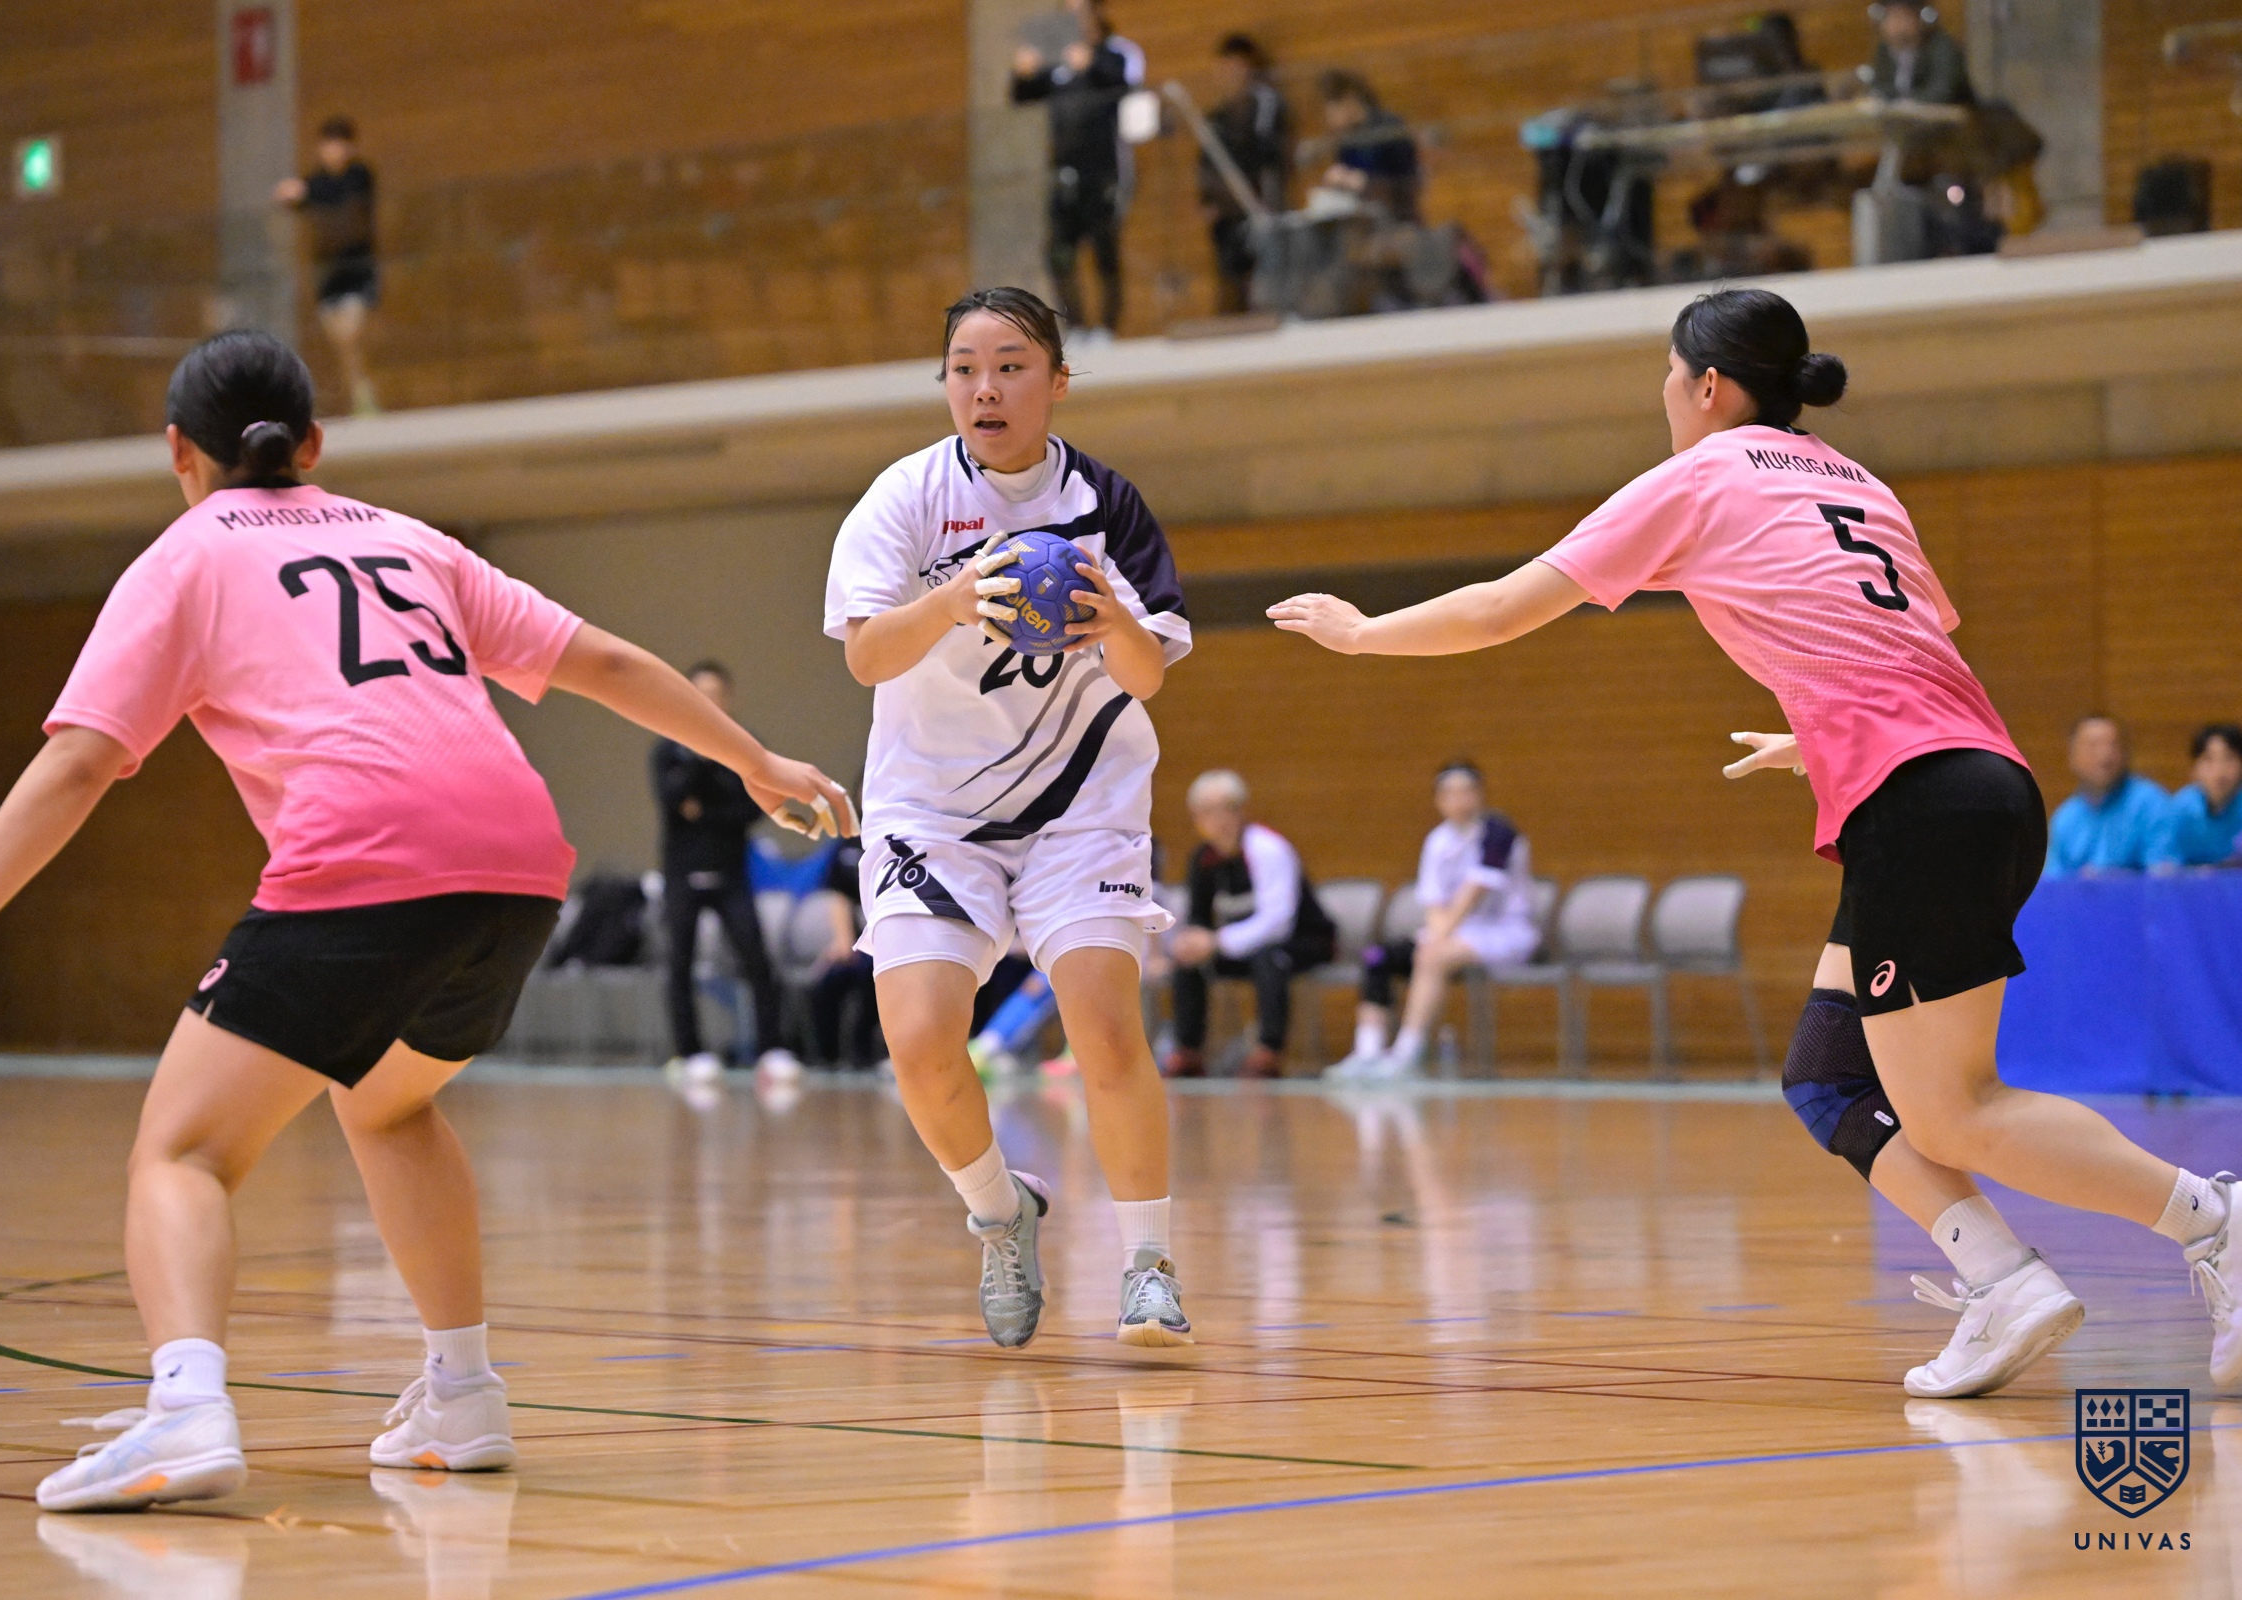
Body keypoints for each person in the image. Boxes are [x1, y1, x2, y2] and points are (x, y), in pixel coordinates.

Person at [0, 330, 851, 1511]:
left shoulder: (184, 559)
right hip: (519, 868)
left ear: (178, 452)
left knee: (182, 1152)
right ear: (312, 443)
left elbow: (79, 762)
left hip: (369, 863)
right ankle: (463, 1395)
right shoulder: (409, 539)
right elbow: (607, 661)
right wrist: (754, 760)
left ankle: (185, 1409)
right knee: (387, 1101)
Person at [1270, 286, 2239, 1399]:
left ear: (1708, 385)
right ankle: (2004, 1281)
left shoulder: (1700, 475)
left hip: (1920, 803)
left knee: (1957, 1110)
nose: (1663, 394)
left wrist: (1362, 633)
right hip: (1975, 782)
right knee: (1828, 1076)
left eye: (1667, 373)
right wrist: (1818, 734)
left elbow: (1501, 608)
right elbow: (1907, 634)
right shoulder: (1859, 481)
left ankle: (2213, 1220)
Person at [822, 284, 1194, 1348]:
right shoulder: (904, 497)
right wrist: (952, 599)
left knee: (1104, 1022)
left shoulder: (1106, 503)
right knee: (921, 1041)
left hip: (1083, 801)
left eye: (1011, 366)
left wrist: (1109, 617)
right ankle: (1001, 1212)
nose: (985, 388)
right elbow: (866, 656)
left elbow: (1148, 675)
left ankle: (1147, 1266)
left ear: (1057, 381)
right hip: (934, 807)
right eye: (964, 369)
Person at [1327, 760, 1539, 1082]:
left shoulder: (1499, 833)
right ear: (1438, 800)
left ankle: (1406, 1054)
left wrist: (1439, 936)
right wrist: (1439, 932)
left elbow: (1473, 894)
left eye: (1466, 792)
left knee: (1431, 956)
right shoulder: (1437, 840)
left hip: (1504, 933)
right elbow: (1433, 903)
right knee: (1377, 956)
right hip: (1452, 933)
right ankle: (1368, 1052)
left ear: (1480, 795)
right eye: (1450, 794)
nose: (1459, 801)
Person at [652, 660, 800, 1086]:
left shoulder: (746, 748)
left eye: (716, 694)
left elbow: (751, 809)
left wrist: (703, 810)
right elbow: (672, 801)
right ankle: (690, 1051)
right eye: (700, 694)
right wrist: (699, 763)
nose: (709, 702)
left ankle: (771, 1048)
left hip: (731, 872)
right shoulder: (667, 750)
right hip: (682, 873)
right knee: (679, 962)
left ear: (728, 699)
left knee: (756, 959)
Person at [1165, 769, 1337, 1081]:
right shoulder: (1202, 859)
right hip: (1243, 945)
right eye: (1207, 811)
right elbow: (1199, 918)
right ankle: (1189, 1051)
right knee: (1189, 963)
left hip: (1302, 940)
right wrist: (1191, 942)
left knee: (1269, 957)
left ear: (1240, 811)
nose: (1218, 819)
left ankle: (1269, 1051)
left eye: (1226, 809)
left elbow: (1278, 922)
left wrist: (1216, 942)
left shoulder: (1267, 848)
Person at [1013, 5, 1145, 336]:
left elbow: (1126, 84)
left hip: (1103, 171)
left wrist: (1092, 64)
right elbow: (1024, 94)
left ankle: (1107, 327)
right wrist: (1022, 73)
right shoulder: (1059, 57)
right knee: (1059, 252)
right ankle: (1077, 325)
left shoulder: (1116, 53)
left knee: (1104, 249)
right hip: (1065, 174)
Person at [274, 116, 382, 415]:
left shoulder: (360, 175)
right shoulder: (315, 180)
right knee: (343, 346)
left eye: (339, 144)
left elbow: (336, 197)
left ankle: (363, 396)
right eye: (328, 144)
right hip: (328, 276)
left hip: (358, 271)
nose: (334, 150)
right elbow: (294, 200)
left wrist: (303, 192)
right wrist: (289, 195)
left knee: (352, 334)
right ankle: (360, 395)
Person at [1198, 32, 1290, 315]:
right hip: (1227, 209)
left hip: (1260, 203)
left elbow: (1266, 153)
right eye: (1226, 67)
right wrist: (1207, 199)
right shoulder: (1217, 117)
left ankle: (1267, 312)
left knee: (1263, 270)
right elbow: (1206, 161)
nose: (1232, 74)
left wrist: (1258, 195)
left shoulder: (1266, 104)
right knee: (1230, 272)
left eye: (1237, 66)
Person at [2043, 715, 2168, 877]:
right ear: (2072, 757)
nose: (2104, 755)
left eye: (2113, 745)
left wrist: (2109, 879)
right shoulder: (2065, 819)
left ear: (2125, 753)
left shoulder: (2150, 803)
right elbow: (2054, 882)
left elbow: (2164, 875)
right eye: (2093, 746)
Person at [806, 834, 881, 1069]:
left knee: (875, 979)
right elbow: (839, 895)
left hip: (893, 941)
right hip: (859, 941)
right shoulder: (849, 844)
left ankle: (864, 1053)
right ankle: (825, 1058)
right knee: (828, 979)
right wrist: (843, 941)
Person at [1315, 71, 1420, 225]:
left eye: (1334, 107)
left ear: (1350, 98)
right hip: (1361, 219)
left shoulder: (1389, 127)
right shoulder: (1346, 139)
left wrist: (1368, 183)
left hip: (1398, 219)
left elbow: (1409, 182)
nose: (1329, 116)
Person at [2150, 723, 2242, 870]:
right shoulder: (2182, 807)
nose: (2220, 770)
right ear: (2194, 768)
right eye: (2209, 759)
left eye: (2229, 758)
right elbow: (2164, 862)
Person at [1864, 1, 1975, 106]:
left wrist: (1904, 103)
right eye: (1890, 17)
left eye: (1903, 17)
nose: (1896, 25)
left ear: (1922, 19)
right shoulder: (1884, 48)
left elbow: (1942, 92)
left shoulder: (1942, 47)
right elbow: (1879, 87)